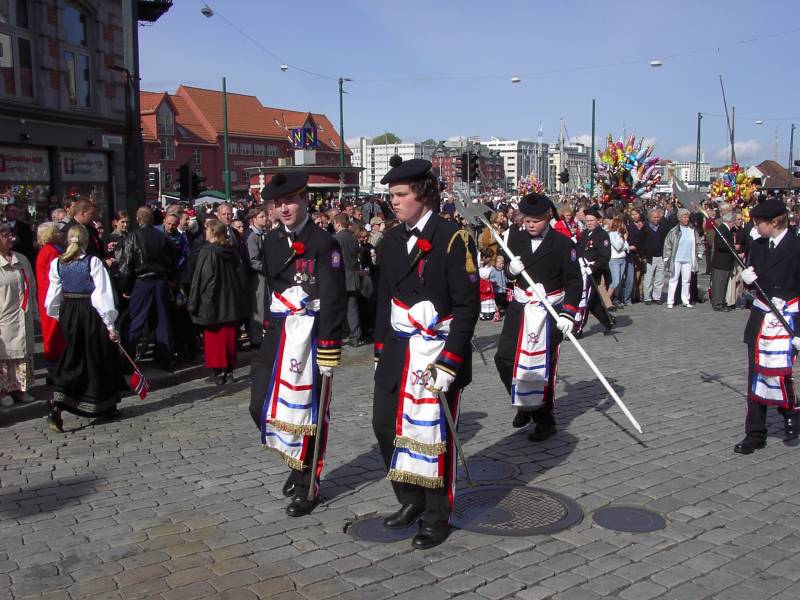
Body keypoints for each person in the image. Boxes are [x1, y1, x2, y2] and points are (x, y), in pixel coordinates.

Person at [372, 155, 479, 550]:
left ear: (423, 195)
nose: (394, 202)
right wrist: (381, 347)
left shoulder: (454, 237)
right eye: (392, 195)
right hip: (400, 346)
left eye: (400, 194)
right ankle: (409, 499)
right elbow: (385, 297)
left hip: (437, 348)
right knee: (385, 425)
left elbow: (466, 306)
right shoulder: (391, 239)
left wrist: (451, 361)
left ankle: (437, 514)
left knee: (435, 435)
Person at [249, 172, 347, 518]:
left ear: (305, 200)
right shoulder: (271, 241)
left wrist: (330, 346)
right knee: (260, 404)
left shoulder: (324, 243)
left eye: (290, 200)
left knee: (309, 412)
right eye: (278, 203)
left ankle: (308, 484)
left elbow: (334, 297)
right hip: (279, 332)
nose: (284, 208)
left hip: (312, 334)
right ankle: (295, 461)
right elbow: (272, 287)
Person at [494, 193, 582, 442]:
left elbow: (575, 281)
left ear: (548, 217)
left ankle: (545, 419)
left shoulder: (564, 244)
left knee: (541, 366)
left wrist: (569, 313)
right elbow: (510, 272)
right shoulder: (517, 238)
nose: (529, 224)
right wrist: (511, 271)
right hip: (521, 309)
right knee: (504, 358)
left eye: (535, 220)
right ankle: (524, 404)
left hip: (549, 311)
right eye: (526, 220)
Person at [735, 199, 800, 454]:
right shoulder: (758, 245)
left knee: (781, 373)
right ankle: (755, 433)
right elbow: (756, 279)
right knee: (756, 374)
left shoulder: (796, 247)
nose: (754, 226)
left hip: (788, 319)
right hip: (762, 318)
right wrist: (749, 281)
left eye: (758, 222)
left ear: (774, 222)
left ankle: (790, 414)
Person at [44, 224, 123, 432]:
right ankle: (100, 404)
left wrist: (60, 316)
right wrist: (110, 325)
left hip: (69, 312)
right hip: (89, 312)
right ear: (86, 241)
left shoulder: (57, 264)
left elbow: (52, 297)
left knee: (73, 356)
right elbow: (102, 296)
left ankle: (62, 404)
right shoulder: (93, 262)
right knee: (96, 355)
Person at [188, 219, 249, 384]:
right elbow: (242, 277)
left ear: (213, 232)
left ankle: (217, 373)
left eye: (207, 230)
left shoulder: (207, 252)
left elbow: (201, 279)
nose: (205, 233)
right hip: (231, 301)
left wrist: (193, 302)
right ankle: (228, 372)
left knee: (214, 338)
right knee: (229, 337)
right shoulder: (232, 251)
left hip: (212, 301)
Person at [119, 206, 177, 370]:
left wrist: (125, 286)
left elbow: (127, 264)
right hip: (160, 282)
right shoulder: (161, 237)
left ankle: (129, 362)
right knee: (162, 321)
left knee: (136, 321)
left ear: (138, 220)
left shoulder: (133, 236)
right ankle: (166, 359)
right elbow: (172, 260)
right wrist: (170, 279)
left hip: (142, 282)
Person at [0, 223, 37, 408]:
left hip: (22, 313)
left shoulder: (21, 259)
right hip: (4, 316)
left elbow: (32, 285)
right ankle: (4, 390)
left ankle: (21, 388)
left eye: (10, 234)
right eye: (5, 235)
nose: (10, 238)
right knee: (5, 353)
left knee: (23, 351)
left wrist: (34, 311)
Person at [35, 223, 66, 383]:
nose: (61, 234)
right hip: (52, 297)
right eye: (58, 232)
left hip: (48, 296)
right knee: (53, 332)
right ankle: (54, 369)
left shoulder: (49, 250)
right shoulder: (51, 251)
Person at [576, 209, 614, 336]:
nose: (589, 223)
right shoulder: (585, 233)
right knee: (594, 303)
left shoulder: (602, 235)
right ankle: (608, 321)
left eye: (591, 220)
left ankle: (578, 329)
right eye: (587, 221)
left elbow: (605, 257)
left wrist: (593, 268)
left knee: (585, 300)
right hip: (583, 271)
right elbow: (580, 250)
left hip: (592, 273)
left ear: (598, 221)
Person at [332, 213, 363, 346]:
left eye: (334, 223)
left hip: (341, 278)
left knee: (338, 309)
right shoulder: (353, 238)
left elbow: (334, 262)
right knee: (353, 309)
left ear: (338, 224)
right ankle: (355, 337)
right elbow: (357, 255)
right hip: (353, 276)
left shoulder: (335, 238)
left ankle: (337, 337)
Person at [663, 208, 703, 309]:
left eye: (687, 217)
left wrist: (699, 253)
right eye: (684, 217)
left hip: (688, 259)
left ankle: (686, 300)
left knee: (687, 280)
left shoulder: (692, 231)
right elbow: (668, 244)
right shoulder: (674, 231)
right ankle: (670, 301)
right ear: (679, 218)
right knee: (673, 280)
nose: (687, 219)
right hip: (676, 259)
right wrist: (666, 257)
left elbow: (698, 243)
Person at [246, 206, 270, 350]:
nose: (265, 219)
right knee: (258, 306)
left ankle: (264, 334)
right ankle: (255, 338)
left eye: (265, 216)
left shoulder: (264, 233)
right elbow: (253, 260)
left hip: (265, 275)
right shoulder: (252, 236)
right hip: (257, 276)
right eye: (262, 216)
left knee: (265, 305)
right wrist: (267, 267)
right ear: (254, 219)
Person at [641, 208, 668, 304]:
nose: (657, 219)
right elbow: (641, 243)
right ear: (650, 218)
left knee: (659, 278)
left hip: (660, 256)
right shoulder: (645, 228)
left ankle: (657, 296)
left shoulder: (662, 228)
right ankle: (647, 297)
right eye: (655, 217)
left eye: (658, 217)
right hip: (649, 257)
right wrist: (643, 256)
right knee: (648, 278)